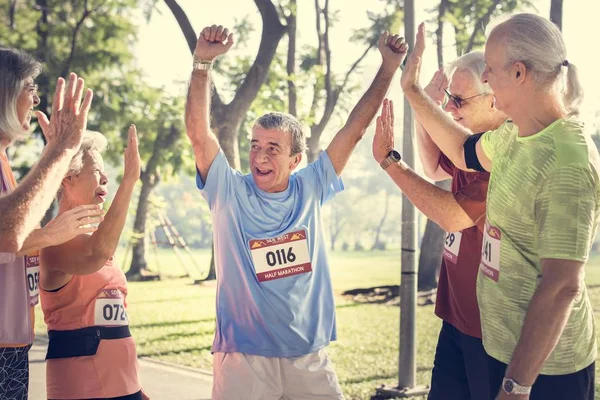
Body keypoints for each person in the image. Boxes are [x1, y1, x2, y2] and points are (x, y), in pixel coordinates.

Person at [186, 24, 407, 399]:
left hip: (307, 354)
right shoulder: (228, 190)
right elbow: (198, 132)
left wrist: (388, 68)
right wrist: (202, 64)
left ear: (296, 159)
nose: (259, 156)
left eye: (273, 148)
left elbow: (354, 129)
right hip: (244, 356)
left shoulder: (312, 185)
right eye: (255, 145)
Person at [400, 15, 598, 400]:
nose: (486, 79)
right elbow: (460, 150)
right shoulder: (515, 133)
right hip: (496, 347)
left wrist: (516, 386)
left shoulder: (567, 160)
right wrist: (412, 91)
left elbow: (561, 287)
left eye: (490, 69)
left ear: (520, 73)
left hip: (545, 372)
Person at [373, 51, 506, 400]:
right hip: (456, 318)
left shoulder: (506, 153)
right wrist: (425, 107)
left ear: (495, 98)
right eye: (448, 99)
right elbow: (433, 166)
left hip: (490, 330)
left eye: (458, 100)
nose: (449, 109)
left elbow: (451, 213)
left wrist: (390, 162)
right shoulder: (472, 146)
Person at [0, 47, 99, 400]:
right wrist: (62, 149)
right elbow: (8, 233)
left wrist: (58, 151)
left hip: (11, 342)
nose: (36, 99)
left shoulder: (4, 160)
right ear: (6, 93)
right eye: (29, 88)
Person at [39, 127, 148, 400]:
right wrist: (129, 181)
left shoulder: (96, 240)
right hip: (81, 386)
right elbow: (95, 253)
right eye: (96, 170)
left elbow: (115, 324)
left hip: (124, 387)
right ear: (68, 177)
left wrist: (134, 386)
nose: (106, 177)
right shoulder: (55, 241)